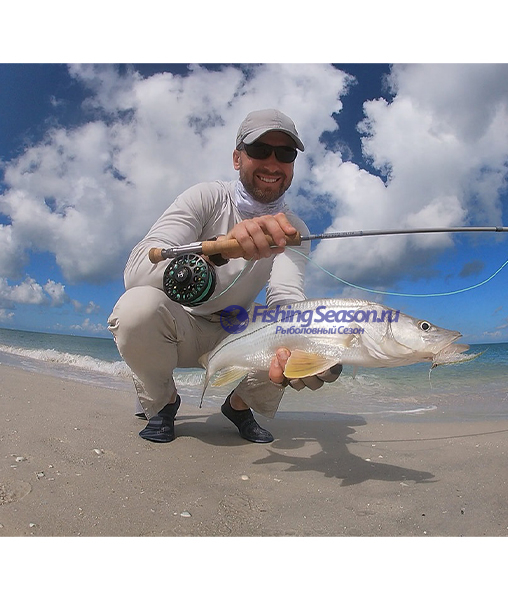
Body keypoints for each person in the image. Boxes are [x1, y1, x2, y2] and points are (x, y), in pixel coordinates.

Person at [108, 109, 341, 444]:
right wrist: (216, 253)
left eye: (285, 153)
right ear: (236, 158)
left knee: (287, 330)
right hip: (181, 328)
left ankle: (239, 405)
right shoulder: (205, 197)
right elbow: (136, 272)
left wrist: (310, 346)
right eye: (259, 150)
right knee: (135, 308)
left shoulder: (295, 230)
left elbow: (285, 298)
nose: (272, 163)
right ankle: (163, 401)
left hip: (236, 330)